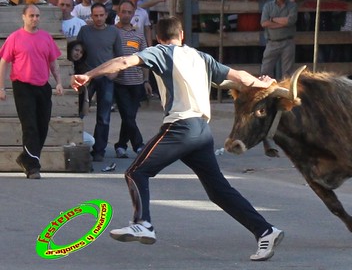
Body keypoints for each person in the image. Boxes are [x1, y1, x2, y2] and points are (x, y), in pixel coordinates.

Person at [71, 16, 284, 262]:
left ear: (158, 38)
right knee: (218, 191)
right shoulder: (201, 57)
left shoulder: (160, 52)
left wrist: (89, 75)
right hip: (202, 133)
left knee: (136, 172)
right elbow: (240, 77)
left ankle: (143, 223)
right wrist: (262, 83)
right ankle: (265, 231)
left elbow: (123, 61)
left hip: (181, 127)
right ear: (182, 35)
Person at [0, 5, 63, 179]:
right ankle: (32, 167)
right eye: (31, 15)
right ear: (24, 17)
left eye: (37, 16)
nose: (34, 19)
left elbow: (53, 63)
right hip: (22, 86)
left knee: (42, 126)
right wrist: (1, 87)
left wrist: (58, 82)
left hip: (42, 86)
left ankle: (25, 158)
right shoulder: (15, 37)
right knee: (30, 126)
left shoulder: (46, 38)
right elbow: (3, 63)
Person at [77, 3, 123, 162]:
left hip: (106, 78)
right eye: (95, 15)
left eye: (101, 15)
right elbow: (78, 52)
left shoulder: (113, 31)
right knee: (80, 113)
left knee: (103, 117)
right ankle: (75, 143)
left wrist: (115, 73)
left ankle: (99, 150)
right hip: (88, 78)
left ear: (106, 15)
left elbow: (120, 55)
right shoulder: (84, 31)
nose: (98, 18)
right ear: (91, 15)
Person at [113, 0, 151, 158]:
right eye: (123, 12)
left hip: (136, 82)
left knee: (130, 116)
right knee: (126, 115)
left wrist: (146, 80)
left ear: (134, 14)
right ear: (118, 13)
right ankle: (139, 145)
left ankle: (121, 145)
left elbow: (145, 59)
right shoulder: (113, 32)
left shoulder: (138, 34)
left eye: (129, 12)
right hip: (119, 82)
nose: (126, 15)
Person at [260, 0, 298, 80]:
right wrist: (283, 23)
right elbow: (264, 23)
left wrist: (272, 19)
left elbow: (290, 21)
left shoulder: (292, 6)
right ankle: (266, 93)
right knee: (265, 71)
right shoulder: (268, 6)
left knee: (288, 73)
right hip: (272, 42)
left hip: (287, 41)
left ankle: (285, 94)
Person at [67, 40, 95, 147]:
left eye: (81, 52)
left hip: (74, 119)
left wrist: (86, 91)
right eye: (76, 50)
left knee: (90, 141)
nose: (78, 54)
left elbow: (85, 112)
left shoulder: (83, 70)